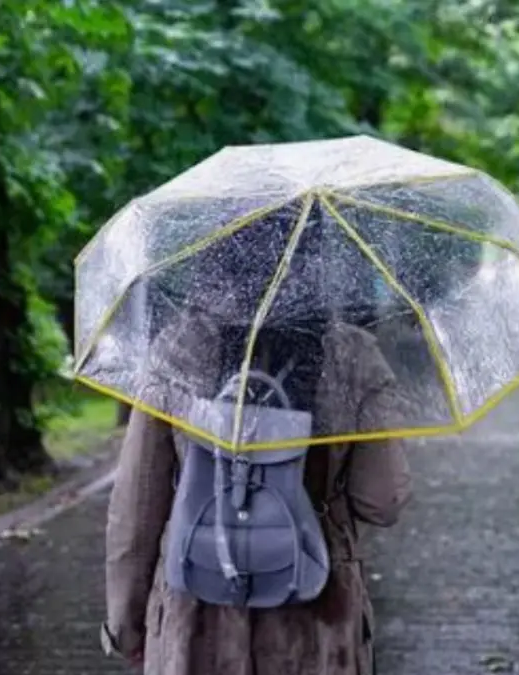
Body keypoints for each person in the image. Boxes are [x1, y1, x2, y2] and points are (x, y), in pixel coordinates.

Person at [101, 214, 413, 674]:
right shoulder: (352, 356)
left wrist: (126, 627)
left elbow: (136, 508)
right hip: (318, 614)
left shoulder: (176, 353)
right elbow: (382, 500)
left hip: (197, 614)